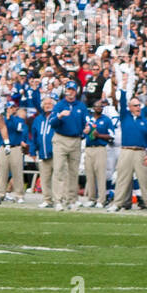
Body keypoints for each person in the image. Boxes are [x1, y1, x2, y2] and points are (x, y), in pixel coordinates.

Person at [109, 85, 147, 212]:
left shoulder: (145, 121)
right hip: (126, 150)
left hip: (140, 151)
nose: (138, 108)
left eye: (138, 105)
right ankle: (117, 203)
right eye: (135, 105)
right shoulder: (125, 117)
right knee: (122, 178)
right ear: (130, 108)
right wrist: (123, 89)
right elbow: (122, 102)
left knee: (145, 179)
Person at [49, 80, 88, 210]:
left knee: (73, 172)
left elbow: (86, 124)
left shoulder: (81, 106)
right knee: (59, 169)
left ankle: (71, 199)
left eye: (73, 90)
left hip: (75, 140)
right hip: (61, 139)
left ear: (76, 91)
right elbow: (52, 123)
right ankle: (58, 199)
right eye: (68, 89)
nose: (70, 92)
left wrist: (87, 130)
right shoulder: (60, 105)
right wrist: (60, 116)